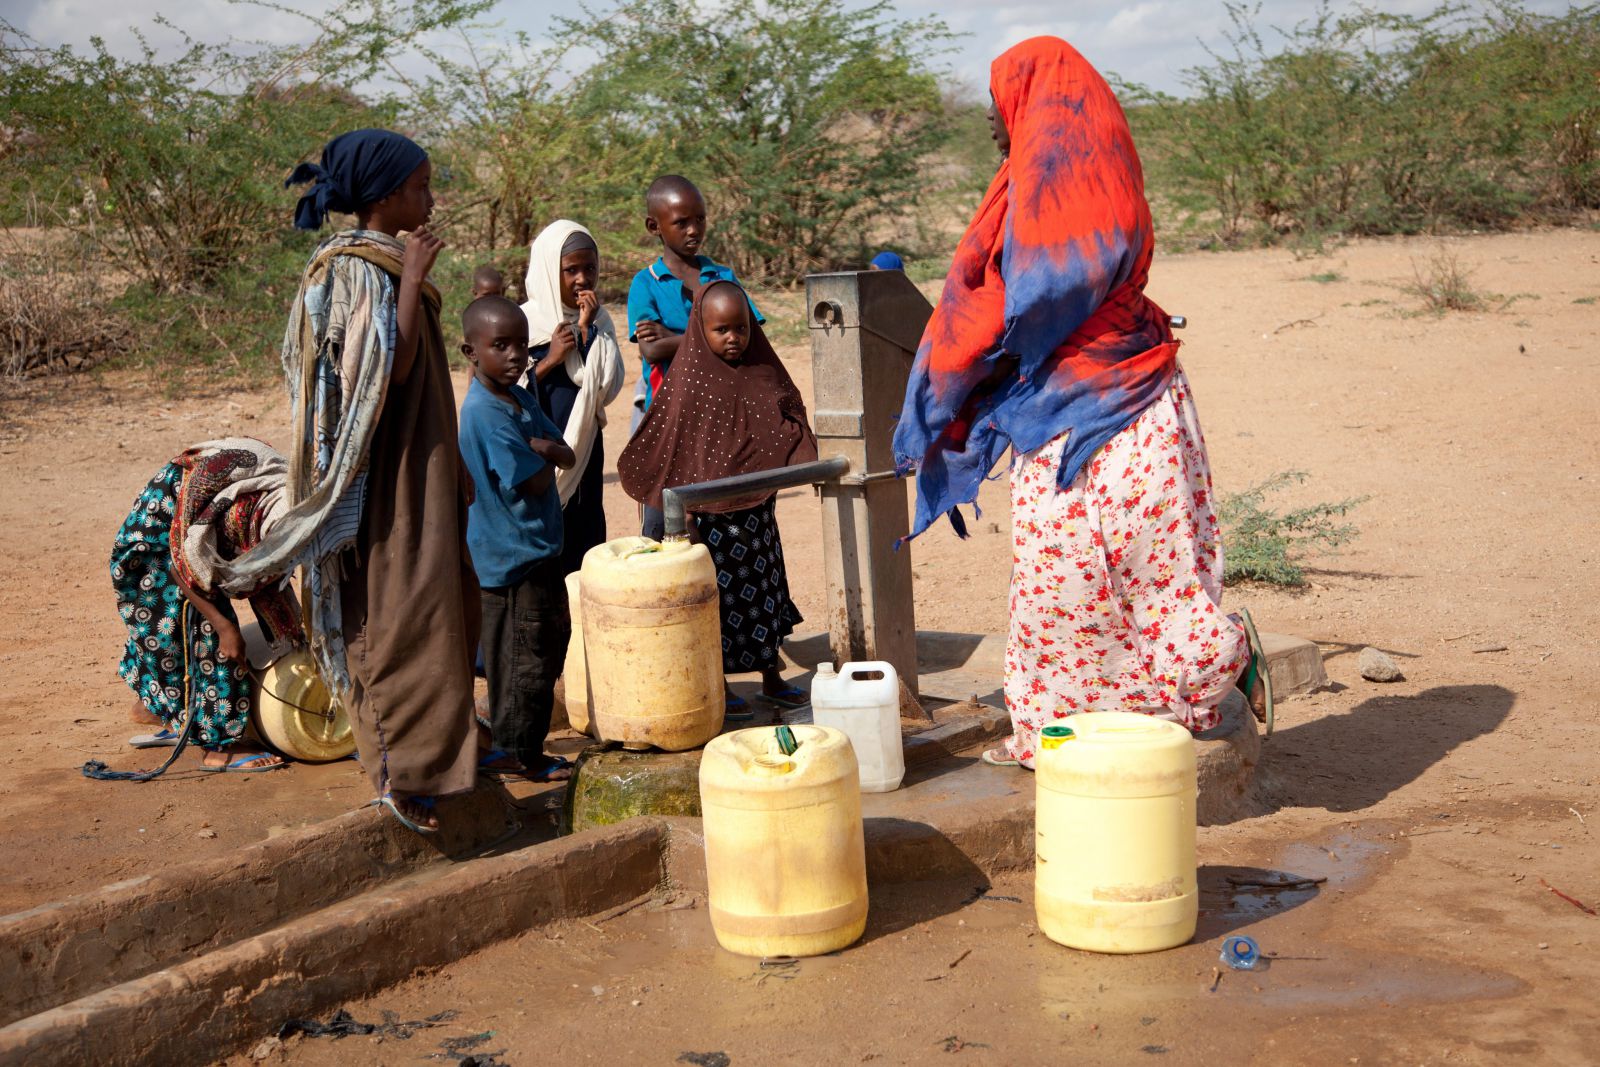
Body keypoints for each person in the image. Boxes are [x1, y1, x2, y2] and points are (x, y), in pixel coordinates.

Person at [891, 37, 1273, 771]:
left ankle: (1217, 665)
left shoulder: (1056, 197)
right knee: (1088, 580)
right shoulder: (1079, 175)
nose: (993, 124)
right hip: (1117, 403)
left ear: (1038, 107)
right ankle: (1066, 736)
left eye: (1004, 104)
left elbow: (1020, 304)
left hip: (1103, 415)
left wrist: (949, 374)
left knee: (1117, 581)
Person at [259, 127, 480, 832]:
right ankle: (398, 771)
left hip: (425, 469)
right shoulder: (353, 268)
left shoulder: (380, 259)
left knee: (439, 610)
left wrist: (458, 464)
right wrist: (411, 279)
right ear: (385, 196)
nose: (430, 198)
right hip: (384, 483)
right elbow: (381, 378)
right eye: (420, 187)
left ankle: (443, 759)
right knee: (394, 617)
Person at [618, 281, 814, 720]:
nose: (733, 339)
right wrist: (680, 513)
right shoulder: (689, 380)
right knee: (716, 606)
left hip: (757, 513)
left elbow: (787, 407)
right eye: (721, 330)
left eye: (741, 328)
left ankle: (772, 676)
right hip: (710, 522)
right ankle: (720, 684)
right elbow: (670, 446)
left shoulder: (760, 367)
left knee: (766, 596)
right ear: (700, 330)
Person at [108, 440, 303, 773]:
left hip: (182, 530)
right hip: (156, 551)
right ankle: (220, 748)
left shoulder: (283, 499)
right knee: (204, 637)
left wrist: (293, 634)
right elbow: (182, 563)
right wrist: (225, 628)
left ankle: (169, 714)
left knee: (185, 635)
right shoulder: (238, 514)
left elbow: (271, 577)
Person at [458, 295, 578, 782]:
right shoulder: (486, 413)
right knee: (523, 662)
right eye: (500, 346)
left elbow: (564, 455)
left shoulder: (519, 398)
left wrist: (546, 450)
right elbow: (532, 480)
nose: (515, 357)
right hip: (512, 557)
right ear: (471, 353)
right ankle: (517, 754)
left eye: (522, 347)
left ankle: (516, 746)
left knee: (537, 653)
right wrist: (549, 454)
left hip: (535, 548)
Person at [625, 175, 764, 539]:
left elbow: (751, 339)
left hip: (725, 417)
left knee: (728, 522)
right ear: (654, 226)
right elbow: (651, 349)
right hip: (670, 420)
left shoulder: (721, 277)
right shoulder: (646, 283)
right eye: (681, 222)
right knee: (663, 527)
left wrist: (678, 337)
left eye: (700, 219)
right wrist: (713, 334)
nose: (694, 230)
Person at [520, 220, 625, 575]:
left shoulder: (600, 321)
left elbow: (607, 386)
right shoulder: (524, 323)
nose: (583, 279)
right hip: (539, 449)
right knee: (543, 538)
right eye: (571, 270)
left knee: (584, 537)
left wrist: (586, 331)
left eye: (590, 268)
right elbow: (506, 392)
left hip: (585, 447)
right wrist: (550, 359)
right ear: (550, 270)